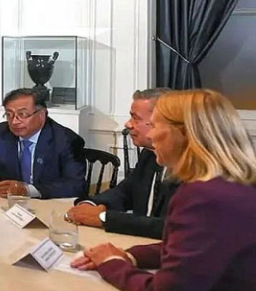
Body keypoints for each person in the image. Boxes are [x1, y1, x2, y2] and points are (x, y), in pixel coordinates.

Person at [72, 89, 256, 291]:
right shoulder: (231, 182)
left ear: (183, 133)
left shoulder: (203, 196)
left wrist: (111, 264)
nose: (151, 134)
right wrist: (130, 256)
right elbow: (190, 246)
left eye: (156, 125)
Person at [67, 88, 178, 239]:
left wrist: (104, 218)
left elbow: (168, 226)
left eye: (135, 118)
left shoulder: (191, 167)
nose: (128, 124)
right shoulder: (149, 153)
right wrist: (89, 205)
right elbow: (124, 192)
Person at [0, 88, 86, 199]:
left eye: (22, 114)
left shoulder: (66, 140)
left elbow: (75, 185)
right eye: (9, 115)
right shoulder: (0, 133)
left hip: (49, 204)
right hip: (8, 205)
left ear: (42, 114)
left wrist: (28, 190)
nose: (14, 121)